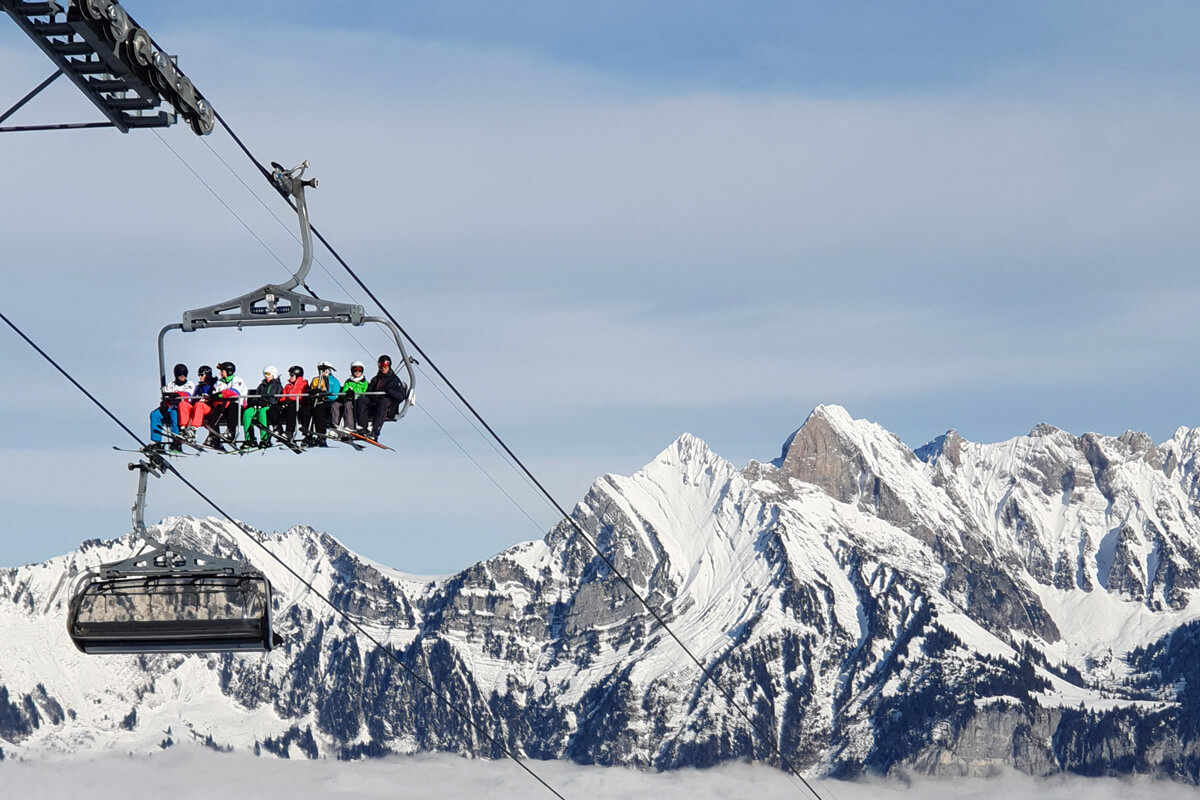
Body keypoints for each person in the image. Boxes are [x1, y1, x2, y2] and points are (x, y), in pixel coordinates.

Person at [365, 354, 408, 440]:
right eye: (380, 365)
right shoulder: (375, 379)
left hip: (388, 404)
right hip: (375, 401)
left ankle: (375, 432)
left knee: (383, 402)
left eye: (385, 366)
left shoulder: (394, 380)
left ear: (389, 365)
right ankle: (360, 427)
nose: (383, 368)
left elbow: (401, 396)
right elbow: (368, 392)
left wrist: (389, 391)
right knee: (362, 400)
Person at [207, 361, 248, 447]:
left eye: (222, 371)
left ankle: (231, 432)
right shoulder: (219, 382)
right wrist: (214, 396)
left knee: (233, 407)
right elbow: (215, 393)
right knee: (213, 413)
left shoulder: (237, 380)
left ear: (228, 372)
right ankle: (214, 437)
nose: (220, 373)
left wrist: (220, 394)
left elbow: (235, 392)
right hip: (222, 406)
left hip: (237, 406)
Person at [242, 365, 283, 449]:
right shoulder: (262, 385)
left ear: (273, 374)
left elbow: (276, 399)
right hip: (258, 405)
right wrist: (256, 402)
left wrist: (266, 402)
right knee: (247, 413)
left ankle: (265, 438)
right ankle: (250, 439)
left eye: (268, 374)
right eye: (265, 374)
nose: (266, 376)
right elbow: (256, 396)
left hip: (269, 406)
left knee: (262, 413)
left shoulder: (277, 386)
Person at [305, 360, 340, 447]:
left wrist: (325, 395)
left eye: (324, 370)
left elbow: (335, 395)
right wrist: (313, 392)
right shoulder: (316, 380)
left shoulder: (334, 381)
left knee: (320, 410)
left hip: (329, 402)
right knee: (308, 409)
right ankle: (308, 434)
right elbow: (311, 389)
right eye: (321, 370)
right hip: (318, 401)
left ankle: (321, 435)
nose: (323, 372)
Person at [335, 360, 369, 436]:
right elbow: (344, 392)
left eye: (360, 370)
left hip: (359, 401)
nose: (357, 372)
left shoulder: (364, 383)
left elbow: (365, 393)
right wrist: (348, 394)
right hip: (350, 401)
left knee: (358, 404)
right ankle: (349, 426)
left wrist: (356, 395)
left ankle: (361, 427)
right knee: (347, 404)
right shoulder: (348, 382)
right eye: (355, 370)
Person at [280, 365, 309, 443]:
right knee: (290, 409)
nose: (290, 377)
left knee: (304, 410)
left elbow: (299, 393)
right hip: (291, 405)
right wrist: (284, 401)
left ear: (297, 376)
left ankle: (306, 431)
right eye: (290, 375)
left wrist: (291, 399)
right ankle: (289, 432)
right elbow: (283, 396)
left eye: (292, 375)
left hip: (301, 403)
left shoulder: (303, 384)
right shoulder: (288, 386)